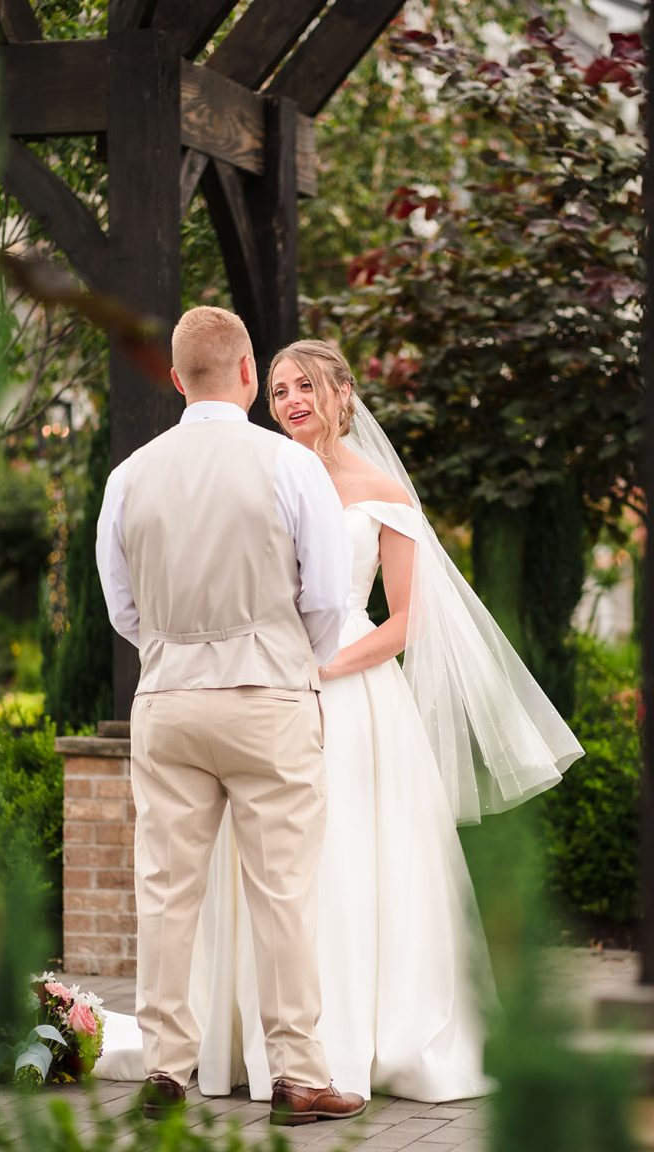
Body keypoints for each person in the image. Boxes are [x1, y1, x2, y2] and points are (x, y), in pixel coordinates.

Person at [186, 339, 585, 1103]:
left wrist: (327, 667)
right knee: (268, 866)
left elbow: (404, 621)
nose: (291, 400)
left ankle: (355, 1039)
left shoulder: (381, 493)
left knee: (347, 861)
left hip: (354, 698)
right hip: (264, 690)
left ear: (341, 392)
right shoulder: (262, 476)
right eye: (276, 391)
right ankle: (264, 1039)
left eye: (305, 385)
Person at [95, 309, 367, 1126]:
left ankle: (167, 1073)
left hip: (168, 700)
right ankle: (296, 1077)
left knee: (166, 891)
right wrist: (274, 652)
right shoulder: (289, 467)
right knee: (282, 892)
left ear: (178, 380)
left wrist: (179, 650)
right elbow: (323, 599)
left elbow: (121, 606)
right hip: (269, 695)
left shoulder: (130, 475)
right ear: (249, 373)